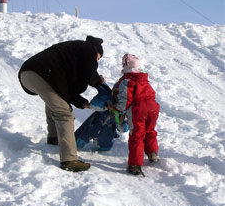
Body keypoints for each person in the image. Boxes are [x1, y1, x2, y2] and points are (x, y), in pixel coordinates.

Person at [18, 35, 105, 173]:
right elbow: (89, 73)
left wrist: (85, 104)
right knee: (65, 113)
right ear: (97, 52)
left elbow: (66, 92)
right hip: (43, 73)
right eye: (98, 58)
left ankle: (54, 138)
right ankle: (69, 160)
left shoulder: (72, 54)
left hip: (28, 74)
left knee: (55, 101)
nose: (96, 61)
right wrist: (99, 83)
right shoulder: (89, 49)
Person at [108, 54, 160, 176]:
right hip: (153, 107)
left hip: (138, 109)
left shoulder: (127, 80)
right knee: (150, 130)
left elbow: (126, 98)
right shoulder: (144, 79)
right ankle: (152, 154)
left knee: (137, 135)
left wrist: (118, 109)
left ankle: (135, 165)